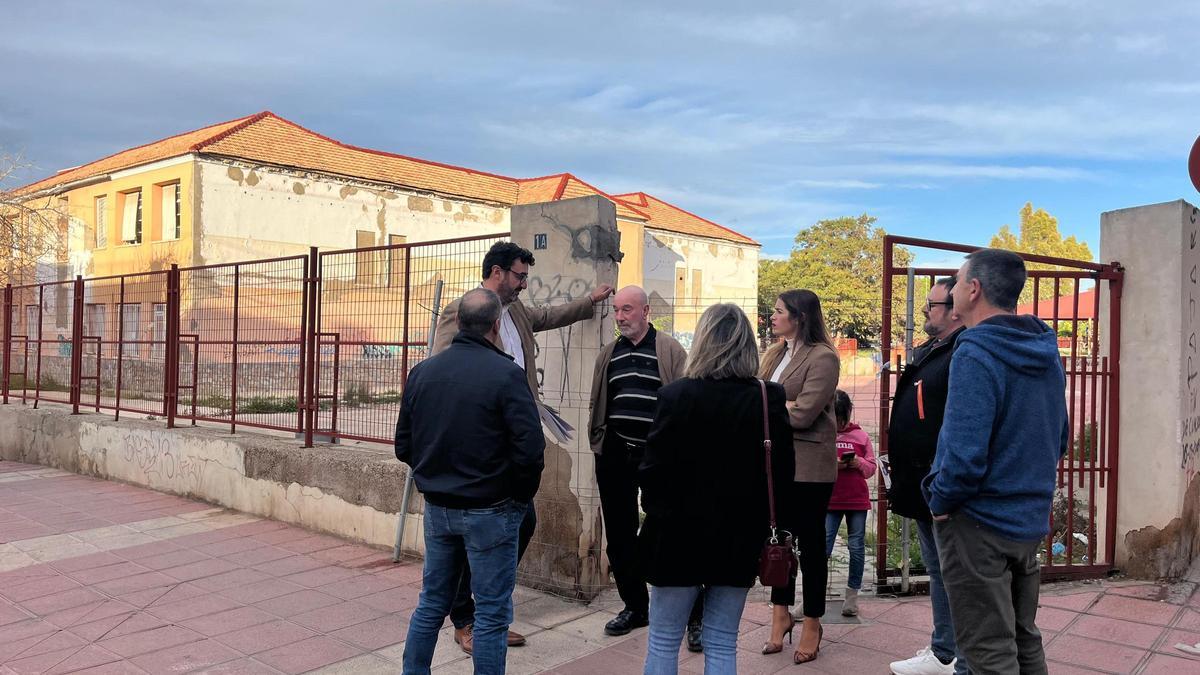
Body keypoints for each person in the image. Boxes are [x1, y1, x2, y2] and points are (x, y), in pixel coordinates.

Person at [433, 241, 613, 653]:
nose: (524, 285)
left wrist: (589, 301)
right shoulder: (462, 312)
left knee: (521, 522)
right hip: (480, 444)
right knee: (474, 536)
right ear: (497, 272)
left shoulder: (514, 312)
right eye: (520, 276)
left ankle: (486, 612)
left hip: (512, 442)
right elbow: (443, 373)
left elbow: (546, 316)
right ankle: (466, 619)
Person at [924, 249, 1068, 674]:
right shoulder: (1044, 349)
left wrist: (941, 500)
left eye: (956, 281)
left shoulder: (975, 351)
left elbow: (964, 453)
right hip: (1027, 519)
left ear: (973, 289)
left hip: (978, 523)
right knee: (1024, 639)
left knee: (987, 650)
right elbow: (1059, 437)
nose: (952, 289)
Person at [395, 288, 545, 674]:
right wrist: (517, 499)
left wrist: (435, 477)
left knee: (431, 603)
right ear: (495, 326)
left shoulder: (423, 372)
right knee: (492, 613)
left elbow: (404, 445)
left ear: (459, 322)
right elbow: (530, 450)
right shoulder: (507, 375)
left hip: (440, 508)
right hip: (491, 510)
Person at [638, 303, 794, 675]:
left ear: (702, 342)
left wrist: (659, 510)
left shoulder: (675, 396)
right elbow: (783, 473)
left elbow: (652, 473)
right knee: (722, 642)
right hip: (739, 538)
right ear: (747, 345)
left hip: (676, 536)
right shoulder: (767, 397)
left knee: (663, 640)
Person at [586, 286, 700, 645]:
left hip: (660, 456)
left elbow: (687, 400)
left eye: (628, 310)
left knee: (674, 533)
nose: (620, 317)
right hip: (616, 453)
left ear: (646, 311)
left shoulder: (670, 349)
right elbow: (599, 401)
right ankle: (635, 607)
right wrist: (599, 443)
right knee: (620, 537)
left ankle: (693, 616)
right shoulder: (609, 353)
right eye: (617, 310)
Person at [887, 278, 968, 675]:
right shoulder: (934, 350)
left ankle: (961, 659)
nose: (924, 310)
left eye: (932, 304)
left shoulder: (962, 353)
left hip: (943, 488)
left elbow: (960, 428)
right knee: (938, 571)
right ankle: (944, 652)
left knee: (957, 576)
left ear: (955, 310)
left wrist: (944, 485)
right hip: (924, 485)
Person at [758, 289, 840, 664]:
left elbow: (803, 415)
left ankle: (812, 622)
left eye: (779, 311)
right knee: (778, 542)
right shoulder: (774, 354)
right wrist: (781, 405)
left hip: (809, 467)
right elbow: (758, 400)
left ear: (800, 316)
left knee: (810, 547)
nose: (772, 316)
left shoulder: (823, 357)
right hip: (775, 463)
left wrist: (774, 407)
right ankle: (780, 615)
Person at [825, 390, 875, 617]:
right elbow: (817, 462)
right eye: (834, 419)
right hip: (830, 500)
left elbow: (871, 468)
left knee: (856, 547)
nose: (838, 424)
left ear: (847, 414)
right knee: (823, 547)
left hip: (857, 500)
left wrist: (858, 463)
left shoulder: (861, 436)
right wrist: (833, 464)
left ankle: (852, 597)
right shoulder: (824, 434)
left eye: (841, 419)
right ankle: (811, 596)